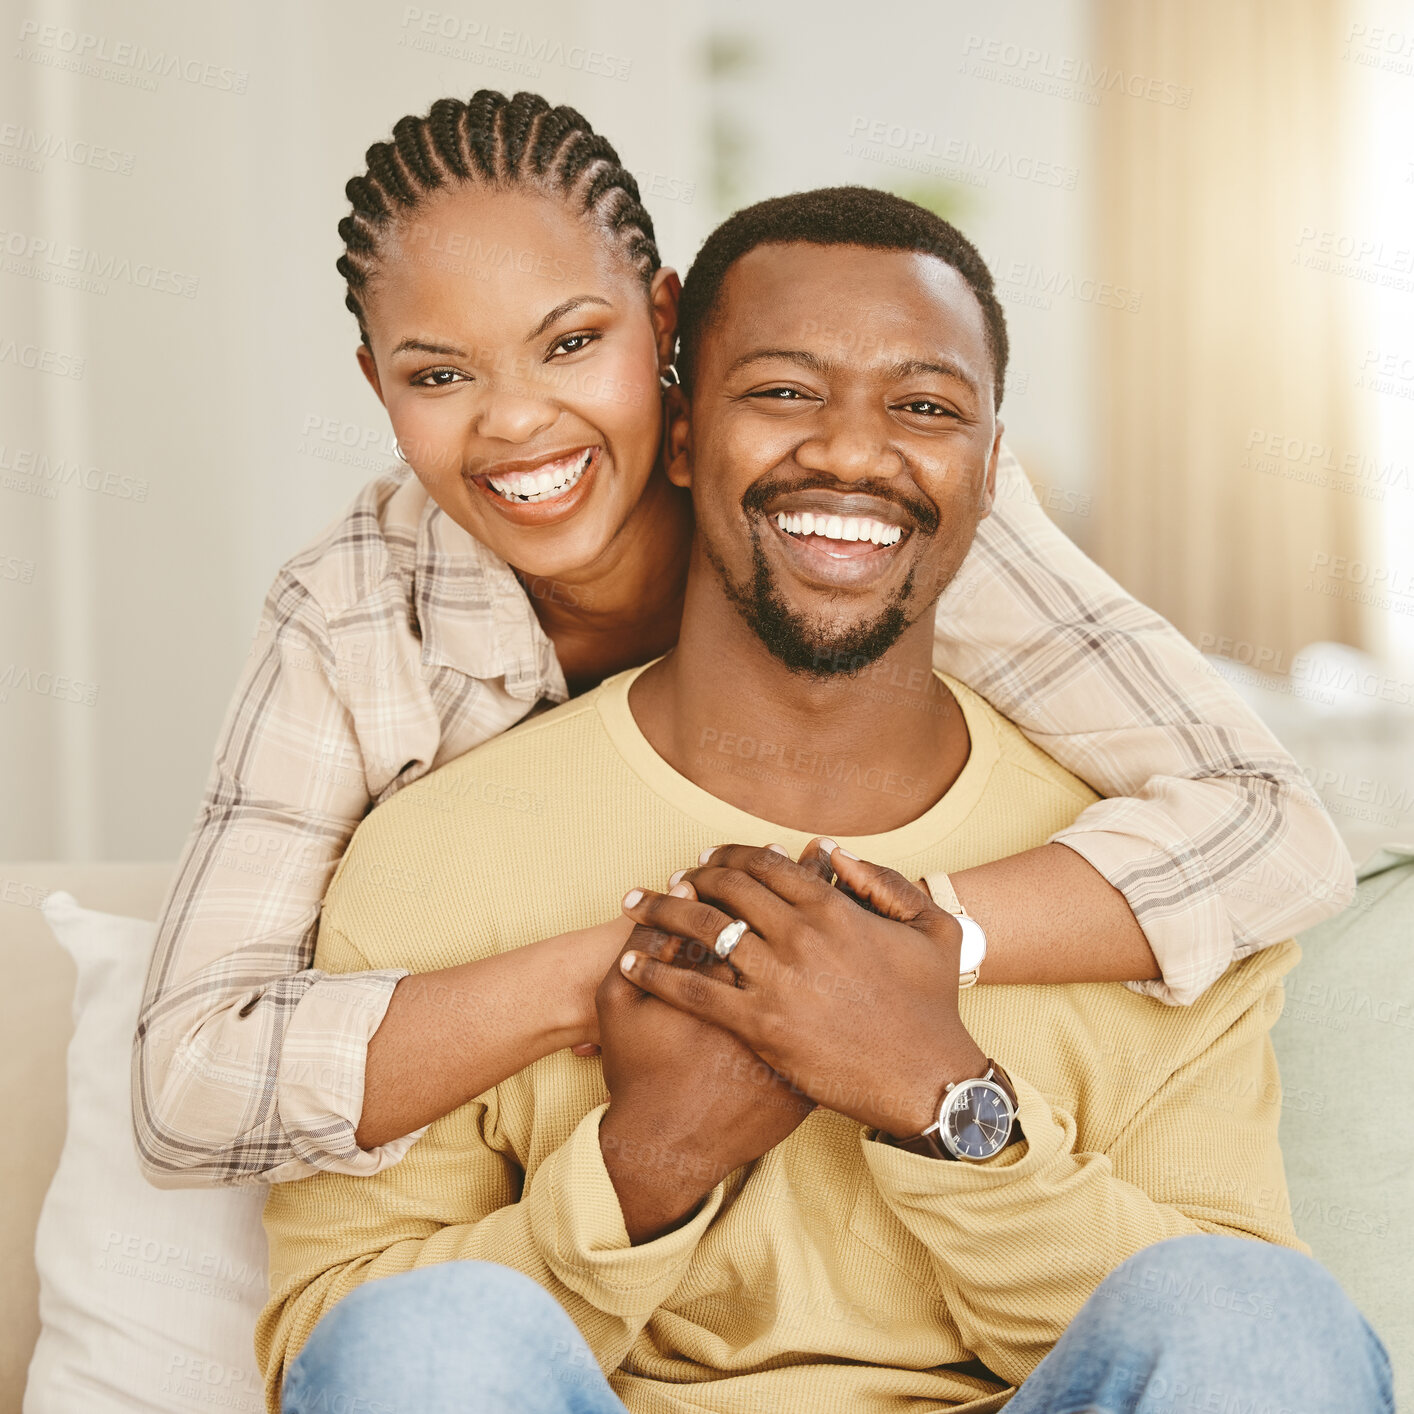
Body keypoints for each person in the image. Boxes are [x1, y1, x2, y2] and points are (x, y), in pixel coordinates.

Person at [256, 189, 1390, 1413]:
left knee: (1251, 1312)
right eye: (785, 392)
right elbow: (342, 1345)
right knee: (419, 1338)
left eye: (924, 407)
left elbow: (1241, 1351)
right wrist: (647, 1166)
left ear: (986, 473)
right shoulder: (436, 851)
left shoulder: (1153, 885)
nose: (851, 452)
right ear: (682, 440)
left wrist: (945, 1102)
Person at [134, 90, 1353, 1190]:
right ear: (375, 387)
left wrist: (883, 941)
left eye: (571, 344)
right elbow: (189, 1081)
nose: (515, 423)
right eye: (438, 375)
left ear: (661, 322)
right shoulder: (350, 613)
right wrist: (664, 962)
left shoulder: (862, 506)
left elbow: (1270, 824)